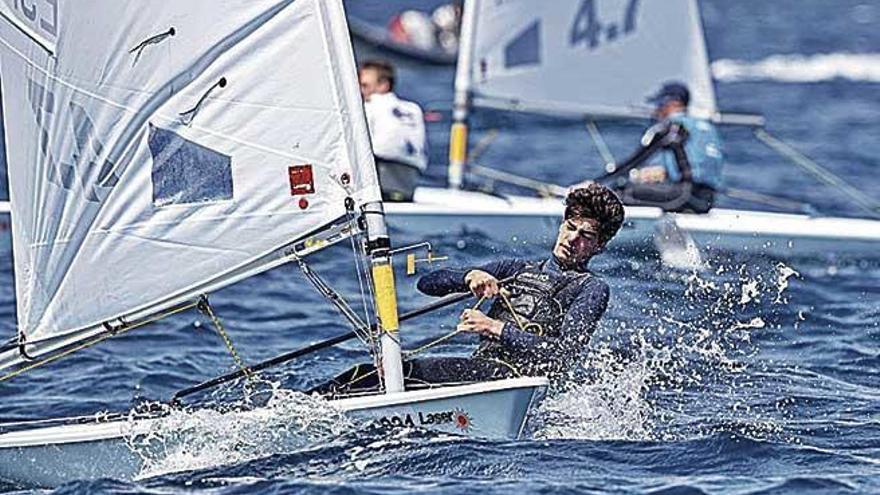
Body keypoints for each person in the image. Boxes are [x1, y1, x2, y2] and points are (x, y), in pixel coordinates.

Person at [312, 183, 624, 397]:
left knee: (400, 371)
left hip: (514, 385)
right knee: (367, 374)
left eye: (586, 235)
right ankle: (296, 407)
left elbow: (564, 354)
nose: (572, 239)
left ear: (600, 246)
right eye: (570, 228)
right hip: (481, 373)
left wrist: (496, 328)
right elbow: (427, 284)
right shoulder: (516, 268)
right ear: (561, 225)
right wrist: (469, 276)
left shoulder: (591, 288)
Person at [609, 81, 724, 213]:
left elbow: (636, 159)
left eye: (659, 104)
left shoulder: (673, 126)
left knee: (619, 193)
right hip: (706, 200)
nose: (656, 110)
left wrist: (599, 181)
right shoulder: (706, 127)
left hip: (684, 196)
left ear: (672, 103)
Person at [358, 59, 428, 202]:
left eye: (365, 85)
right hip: (410, 180)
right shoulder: (414, 109)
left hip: (383, 177)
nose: (360, 90)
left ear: (384, 85)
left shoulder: (369, 107)